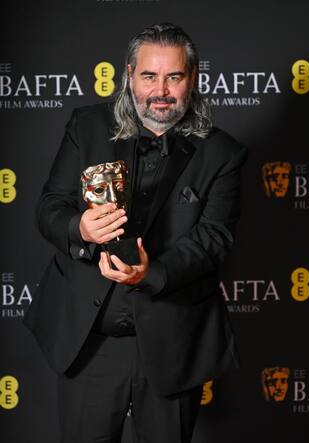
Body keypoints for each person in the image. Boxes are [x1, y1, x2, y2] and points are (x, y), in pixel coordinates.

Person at [24, 22, 247, 443]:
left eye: (174, 76)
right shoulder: (87, 126)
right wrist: (80, 228)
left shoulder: (223, 153)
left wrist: (153, 274)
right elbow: (49, 208)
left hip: (173, 343)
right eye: (149, 76)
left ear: (192, 78)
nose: (160, 90)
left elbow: (214, 239)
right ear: (129, 75)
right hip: (89, 343)